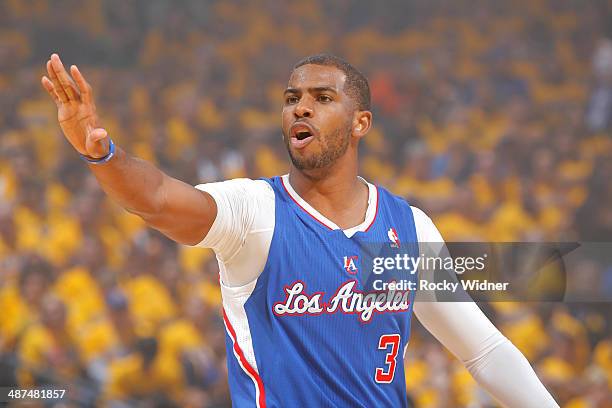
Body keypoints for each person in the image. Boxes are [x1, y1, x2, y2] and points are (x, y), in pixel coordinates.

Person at [41, 52, 558, 407]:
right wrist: (101, 152)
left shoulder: (406, 227)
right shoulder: (256, 211)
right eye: (292, 98)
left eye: (321, 98)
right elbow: (154, 199)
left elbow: (484, 350)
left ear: (362, 123)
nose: (300, 107)